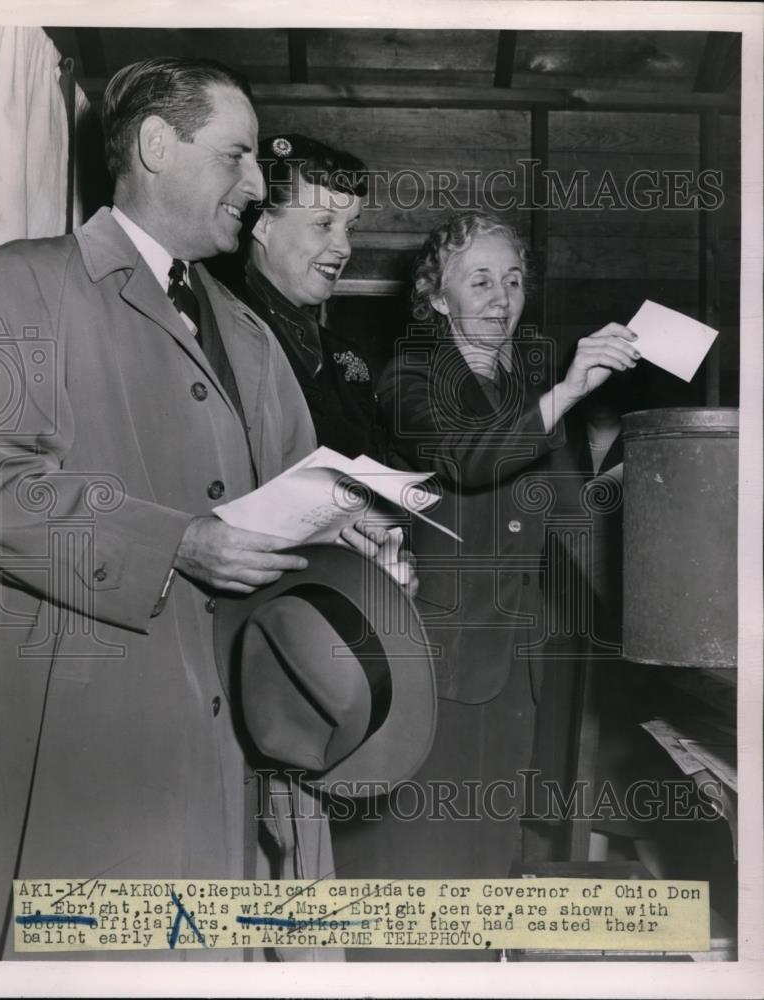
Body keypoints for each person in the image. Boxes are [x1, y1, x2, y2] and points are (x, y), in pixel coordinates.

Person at [0, 57, 350, 962]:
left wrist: (356, 542)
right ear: (156, 145)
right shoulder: (25, 281)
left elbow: (300, 494)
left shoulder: (249, 330)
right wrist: (177, 543)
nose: (258, 185)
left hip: (238, 738)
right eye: (235, 156)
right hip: (102, 742)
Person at [333, 210, 640, 961]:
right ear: (437, 297)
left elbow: (574, 519)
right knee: (412, 878)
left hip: (513, 666)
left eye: (512, 280)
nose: (501, 297)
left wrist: (653, 616)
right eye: (479, 280)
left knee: (480, 878)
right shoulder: (410, 376)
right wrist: (567, 393)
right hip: (429, 661)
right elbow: (468, 457)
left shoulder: (523, 387)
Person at [210, 133, 385, 462]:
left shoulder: (346, 358)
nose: (344, 248)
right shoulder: (215, 329)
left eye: (350, 228)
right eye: (323, 224)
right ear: (263, 225)